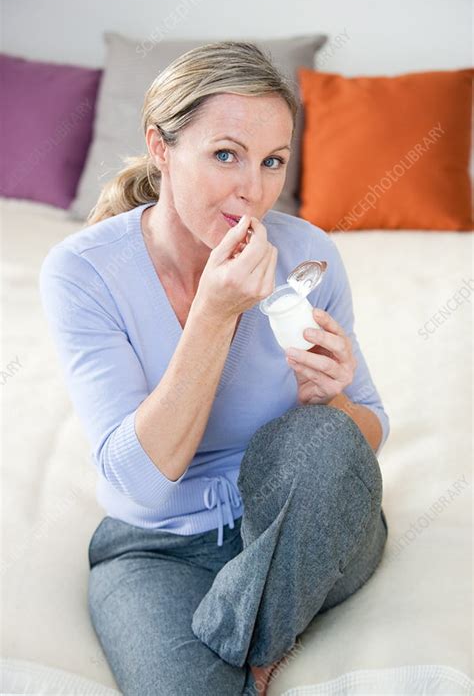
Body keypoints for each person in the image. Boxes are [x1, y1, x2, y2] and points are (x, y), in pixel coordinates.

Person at [39, 41, 390, 696]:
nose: (252, 190)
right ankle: (265, 641)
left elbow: (367, 435)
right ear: (161, 148)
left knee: (323, 437)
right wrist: (215, 313)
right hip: (157, 549)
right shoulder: (82, 272)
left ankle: (244, 647)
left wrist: (331, 400)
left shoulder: (308, 254)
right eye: (225, 154)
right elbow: (139, 483)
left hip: (301, 531)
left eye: (272, 161)